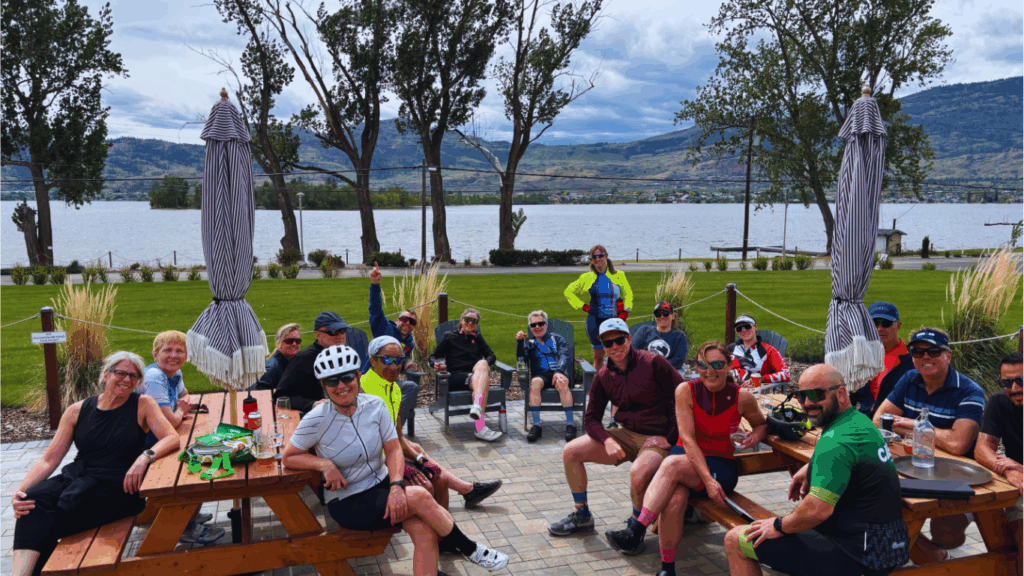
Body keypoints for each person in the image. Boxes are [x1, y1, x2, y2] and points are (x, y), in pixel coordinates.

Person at [281, 345, 509, 576]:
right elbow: (289, 457)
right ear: (323, 385)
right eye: (332, 381)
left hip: (381, 486)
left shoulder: (375, 406)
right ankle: (472, 550)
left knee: (425, 532)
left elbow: (393, 449)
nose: (341, 386)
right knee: (420, 494)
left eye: (347, 377)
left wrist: (396, 485)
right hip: (349, 500)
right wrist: (324, 465)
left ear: (357, 376)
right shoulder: (317, 419)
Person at [723, 364, 909, 576]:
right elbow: (851, 458)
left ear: (840, 393)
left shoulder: (835, 442)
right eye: (801, 396)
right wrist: (811, 466)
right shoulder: (860, 423)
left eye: (816, 395)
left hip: (858, 557)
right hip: (888, 546)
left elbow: (816, 510)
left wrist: (778, 525)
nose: (808, 403)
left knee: (736, 539)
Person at [606, 340, 767, 574]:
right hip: (687, 462)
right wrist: (706, 480)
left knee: (671, 465)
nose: (709, 371)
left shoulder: (741, 397)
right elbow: (688, 440)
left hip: (719, 465)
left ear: (729, 365)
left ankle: (636, 530)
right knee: (674, 498)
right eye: (702, 365)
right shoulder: (686, 390)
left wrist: (756, 435)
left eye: (717, 364)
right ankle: (667, 569)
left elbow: (761, 424)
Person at [12, 352, 180, 576]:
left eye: (134, 376)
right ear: (105, 375)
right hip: (78, 480)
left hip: (117, 488)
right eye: (121, 373)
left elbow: (171, 437)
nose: (128, 380)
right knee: (30, 502)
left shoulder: (143, 404)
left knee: (43, 521)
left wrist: (144, 457)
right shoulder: (76, 411)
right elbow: (49, 459)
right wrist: (20, 491)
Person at [548, 318, 681, 545]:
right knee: (571, 451)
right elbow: (591, 419)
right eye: (608, 344)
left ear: (629, 340)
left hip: (656, 437)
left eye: (619, 340)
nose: (615, 347)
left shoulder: (653, 363)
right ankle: (582, 515)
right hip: (626, 433)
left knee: (638, 472)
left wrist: (670, 438)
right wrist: (607, 441)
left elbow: (684, 397)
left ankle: (634, 527)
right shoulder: (603, 376)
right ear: (603, 347)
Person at [872, 327, 985, 560]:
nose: (925, 357)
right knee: (878, 500)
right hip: (913, 463)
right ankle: (930, 557)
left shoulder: (969, 391)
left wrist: (911, 425)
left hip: (959, 475)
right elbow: (880, 420)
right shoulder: (909, 378)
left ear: (948, 355)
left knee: (946, 535)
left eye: (933, 351)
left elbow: (957, 445)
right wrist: (928, 431)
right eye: (917, 352)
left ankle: (966, 521)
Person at [362, 335, 503, 514]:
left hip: (391, 451)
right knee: (427, 485)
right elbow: (367, 444)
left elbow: (397, 438)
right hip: (374, 463)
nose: (394, 365)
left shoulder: (394, 389)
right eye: (387, 359)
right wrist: (400, 466)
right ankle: (461, 499)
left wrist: (421, 461)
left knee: (435, 474)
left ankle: (447, 525)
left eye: (398, 360)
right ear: (373, 361)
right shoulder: (363, 391)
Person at [136, 331, 223, 544]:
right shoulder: (154, 377)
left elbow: (184, 397)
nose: (174, 355)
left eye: (179, 351)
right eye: (167, 350)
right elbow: (172, 422)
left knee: (201, 451)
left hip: (159, 439)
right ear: (155, 354)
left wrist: (179, 409)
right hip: (144, 447)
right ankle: (185, 524)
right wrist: (180, 411)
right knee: (194, 465)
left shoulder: (174, 373)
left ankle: (188, 511)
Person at [975, 352, 1023, 570]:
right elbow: (982, 448)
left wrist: (1017, 467)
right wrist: (1004, 468)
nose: (1014, 388)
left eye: (1021, 380)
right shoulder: (998, 402)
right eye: (1006, 382)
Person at [429, 309, 502, 442]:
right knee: (484, 382)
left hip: (475, 376)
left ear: (476, 323)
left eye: (473, 321)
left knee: (483, 365)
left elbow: (491, 355)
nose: (470, 323)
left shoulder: (477, 337)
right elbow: (433, 356)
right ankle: (479, 426)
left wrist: (485, 364)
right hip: (455, 376)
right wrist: (435, 363)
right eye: (467, 319)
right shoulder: (449, 336)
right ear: (461, 320)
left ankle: (477, 409)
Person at [366, 262, 421, 427]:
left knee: (411, 386)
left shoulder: (409, 343)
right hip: (370, 380)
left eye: (412, 322)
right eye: (404, 319)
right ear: (397, 320)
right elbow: (375, 309)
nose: (407, 324)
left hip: (390, 382)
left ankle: (394, 430)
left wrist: (407, 365)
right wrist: (375, 285)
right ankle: (388, 431)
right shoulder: (384, 328)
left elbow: (397, 364)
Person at [564, 244, 633, 372]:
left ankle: (618, 385)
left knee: (617, 356)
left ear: (606, 256)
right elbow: (568, 292)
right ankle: (598, 386)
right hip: (595, 321)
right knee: (598, 358)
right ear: (592, 260)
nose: (598, 259)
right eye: (594, 257)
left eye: (600, 256)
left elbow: (628, 293)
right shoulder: (587, 277)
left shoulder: (619, 275)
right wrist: (583, 306)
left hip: (614, 321)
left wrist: (626, 310)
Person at [516, 310, 575, 443]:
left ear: (546, 324)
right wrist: (520, 343)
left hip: (558, 373)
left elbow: (563, 355)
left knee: (561, 382)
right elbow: (521, 359)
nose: (537, 327)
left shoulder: (557, 338)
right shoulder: (529, 342)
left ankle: (570, 425)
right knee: (535, 382)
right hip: (541, 376)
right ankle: (536, 425)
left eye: (540, 323)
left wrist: (559, 371)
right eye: (533, 325)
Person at [274, 311, 348, 415]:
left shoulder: (346, 355)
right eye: (334, 332)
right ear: (318, 335)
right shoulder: (303, 359)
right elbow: (281, 397)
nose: (340, 335)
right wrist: (313, 404)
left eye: (343, 330)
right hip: (317, 418)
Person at [850, 302, 913, 417]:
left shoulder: (913, 359)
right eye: (874, 324)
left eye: (886, 324)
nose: (879, 329)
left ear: (898, 326)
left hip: (897, 423)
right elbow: (849, 399)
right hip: (865, 422)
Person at [727, 314, 790, 388]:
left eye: (747, 326)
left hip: (754, 391)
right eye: (739, 328)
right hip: (728, 388)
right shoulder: (730, 349)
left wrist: (761, 379)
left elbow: (786, 374)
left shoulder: (768, 350)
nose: (743, 330)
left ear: (755, 327)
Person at [631, 301, 688, 371]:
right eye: (658, 314)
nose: (662, 316)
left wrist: (655, 367)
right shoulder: (644, 331)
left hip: (669, 371)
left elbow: (678, 362)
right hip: (645, 371)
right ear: (654, 316)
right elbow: (633, 352)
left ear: (673, 316)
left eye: (666, 313)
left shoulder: (679, 336)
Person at [252, 323, 302, 391]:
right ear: (279, 342)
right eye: (289, 341)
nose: (294, 344)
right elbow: (261, 395)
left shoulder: (290, 361)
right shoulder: (272, 368)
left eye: (297, 341)